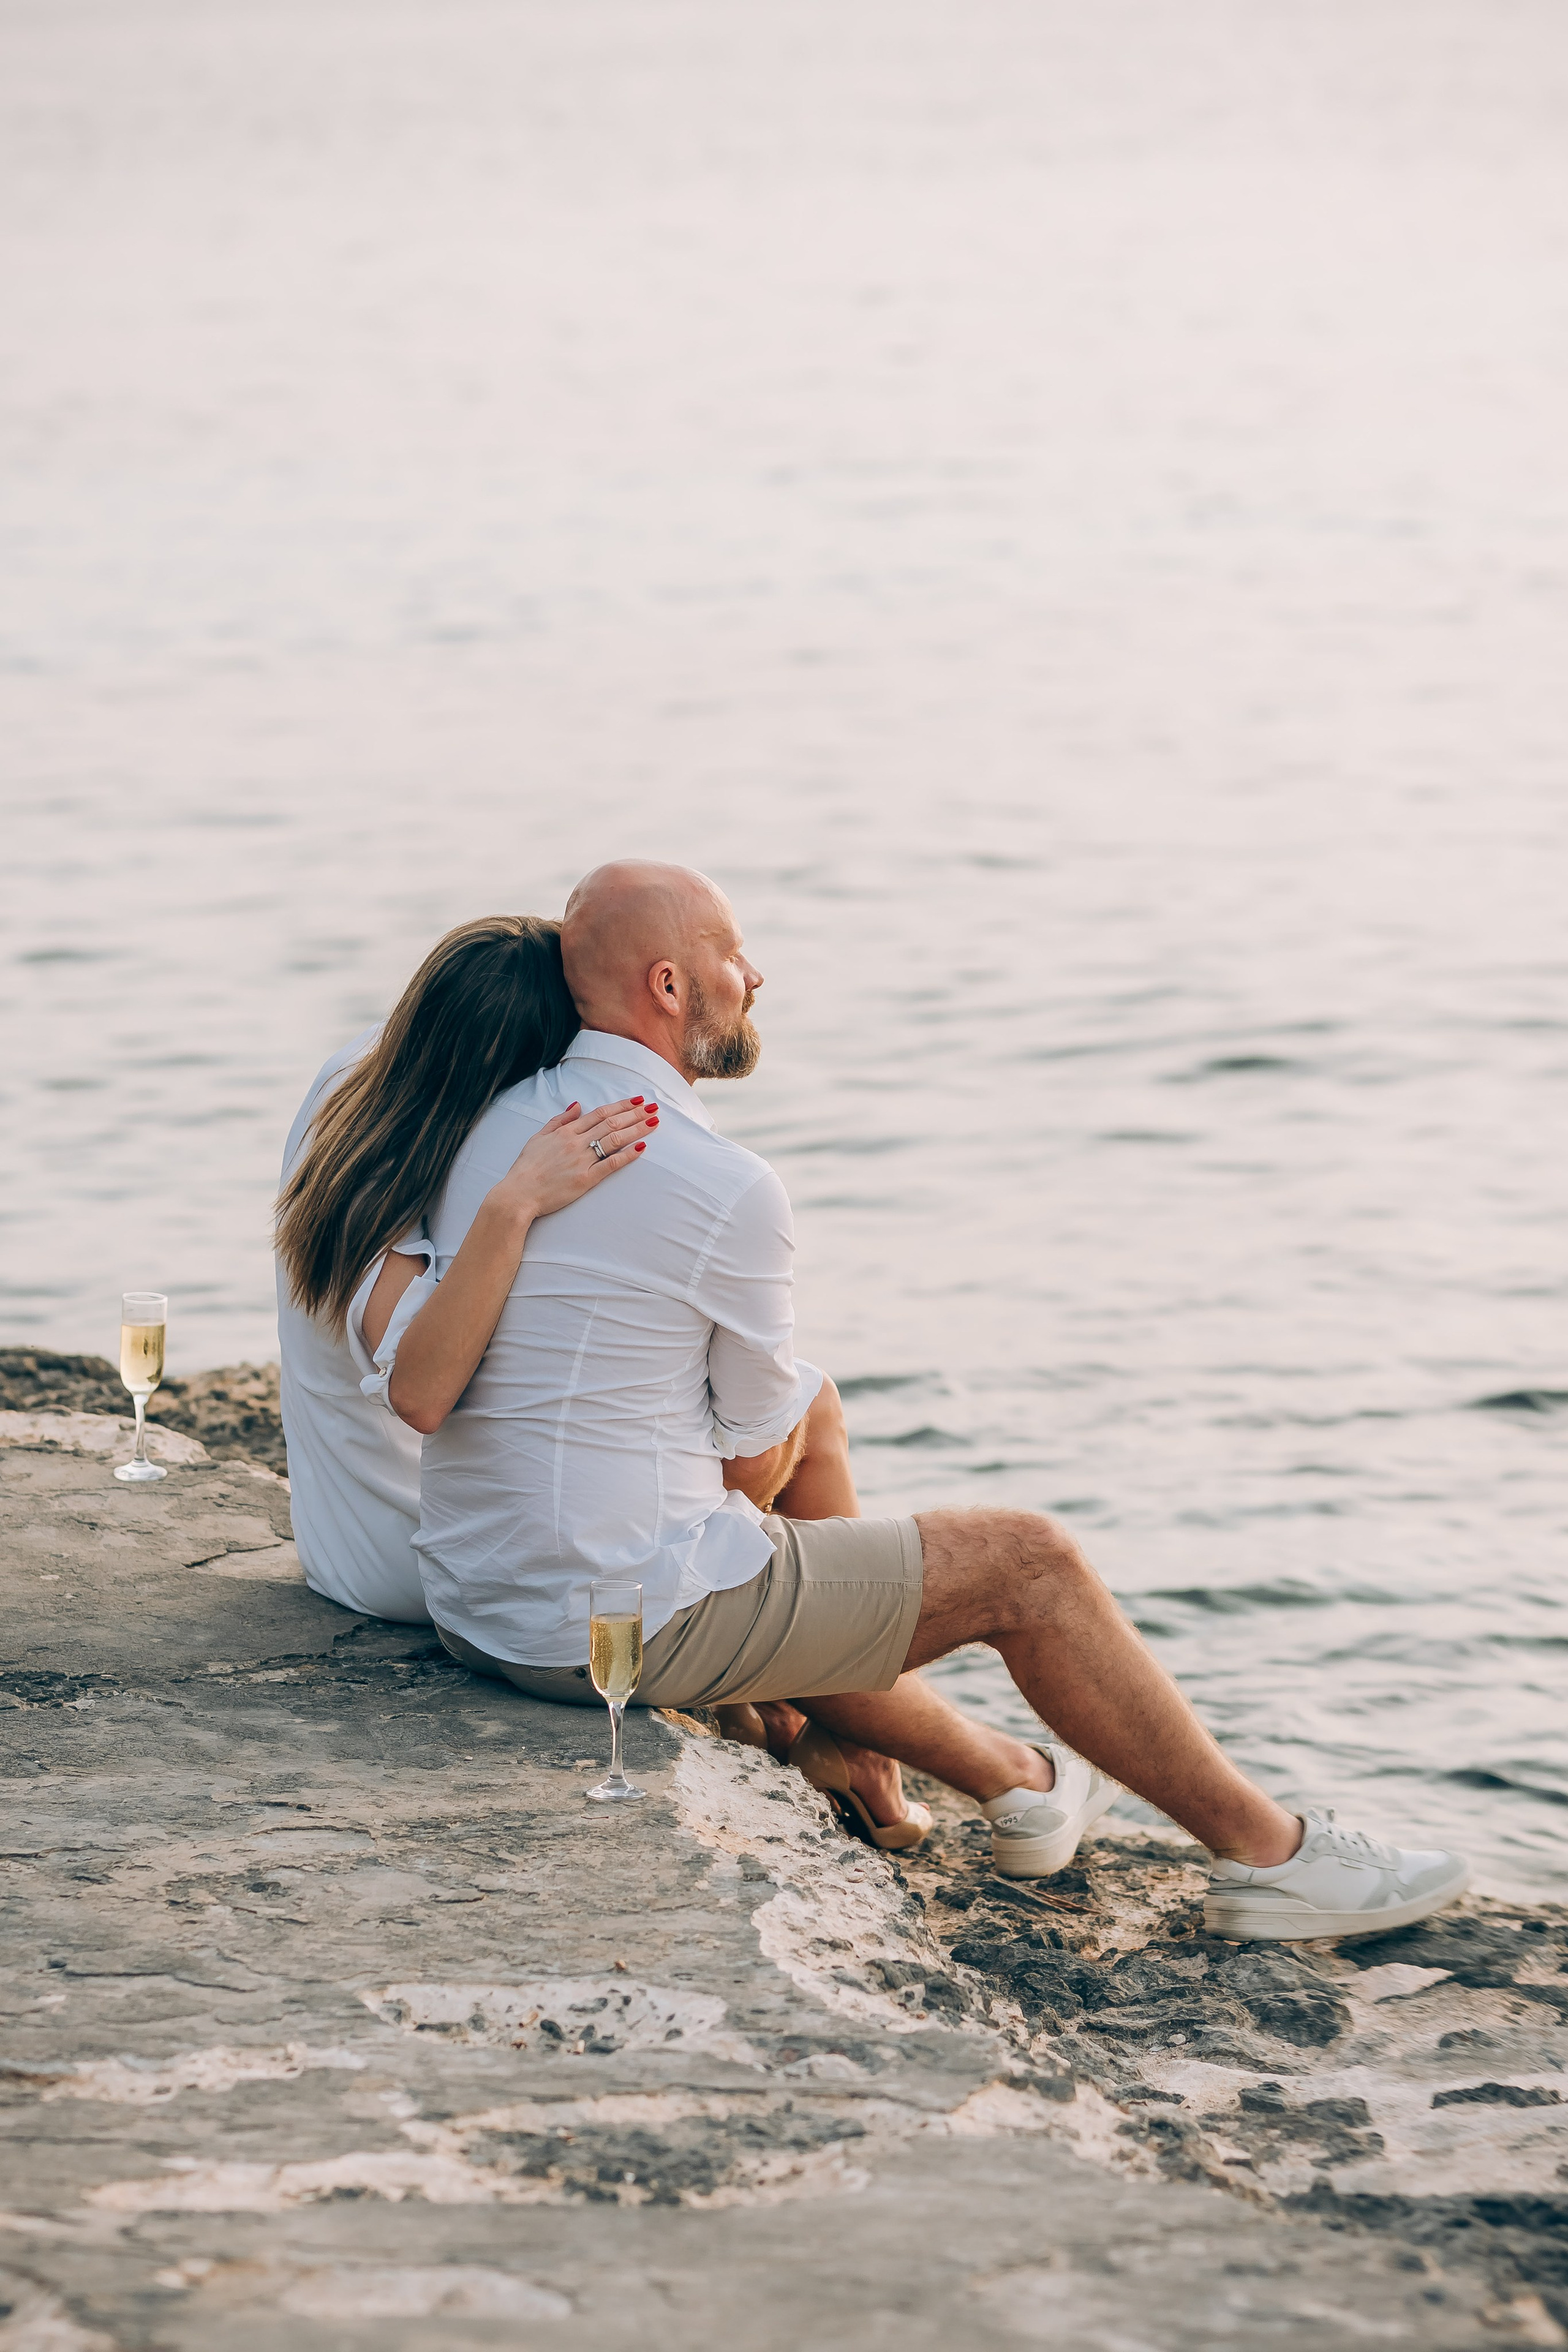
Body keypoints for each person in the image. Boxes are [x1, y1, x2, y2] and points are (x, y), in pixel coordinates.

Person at [397, 862, 1469, 1939]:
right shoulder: (719, 1183)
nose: (757, 974)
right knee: (1028, 1563)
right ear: (671, 987)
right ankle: (1272, 1857)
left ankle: (989, 1779)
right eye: (734, 954)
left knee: (795, 1474)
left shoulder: (493, 1128)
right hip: (603, 1636)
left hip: (479, 1608)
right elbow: (749, 1436)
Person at [273, 915, 654, 1621]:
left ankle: (782, 1704)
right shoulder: (376, 1197)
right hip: (406, 1555)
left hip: (350, 1532)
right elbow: (420, 1394)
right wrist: (514, 1203)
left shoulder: (352, 1088)